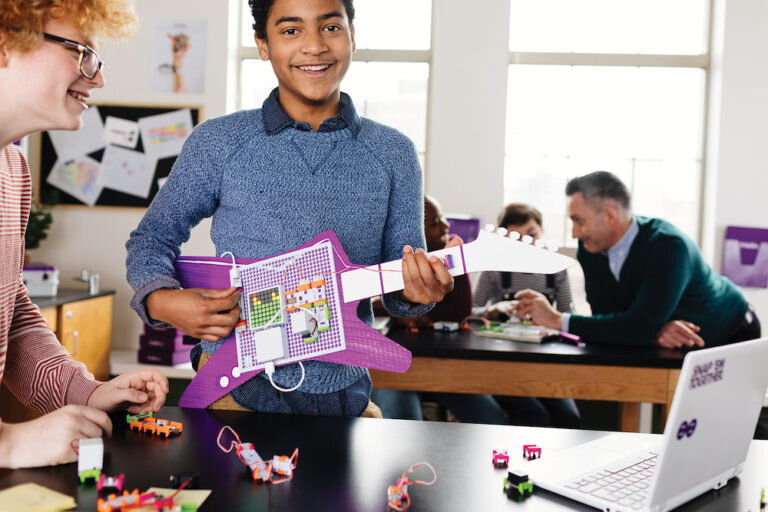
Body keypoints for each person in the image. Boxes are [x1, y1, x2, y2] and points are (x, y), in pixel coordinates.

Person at [126, 0, 455, 417]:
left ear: (353, 36)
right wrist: (160, 300)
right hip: (233, 387)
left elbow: (401, 283)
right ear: (263, 44)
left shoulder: (395, 153)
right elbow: (152, 238)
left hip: (346, 394)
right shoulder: (218, 142)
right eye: (291, 30)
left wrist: (419, 293)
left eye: (331, 27)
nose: (314, 46)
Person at [0, 0, 169, 469]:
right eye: (82, 53)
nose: (97, 79)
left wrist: (86, 391)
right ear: (5, 43)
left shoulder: (13, 170)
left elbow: (10, 314)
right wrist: (7, 443)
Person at [515, 171, 760, 348]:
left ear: (610, 216)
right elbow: (607, 316)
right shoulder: (590, 249)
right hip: (678, 342)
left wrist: (557, 320)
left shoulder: (668, 247)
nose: (574, 233)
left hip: (733, 330)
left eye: (579, 221)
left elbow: (638, 325)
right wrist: (651, 330)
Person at [372, 196, 508, 424]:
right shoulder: (386, 261)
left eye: (442, 218)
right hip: (395, 367)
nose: (446, 226)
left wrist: (402, 310)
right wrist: (397, 310)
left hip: (442, 364)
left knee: (490, 417)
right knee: (402, 422)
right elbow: (366, 307)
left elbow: (459, 311)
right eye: (435, 223)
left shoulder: (451, 255)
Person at [472, 203, 581, 428]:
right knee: (534, 416)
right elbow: (470, 312)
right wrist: (495, 310)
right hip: (502, 366)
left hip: (546, 364)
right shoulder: (494, 269)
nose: (526, 243)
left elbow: (569, 315)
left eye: (532, 235)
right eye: (516, 238)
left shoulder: (557, 269)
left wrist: (549, 314)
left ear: (542, 232)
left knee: (569, 418)